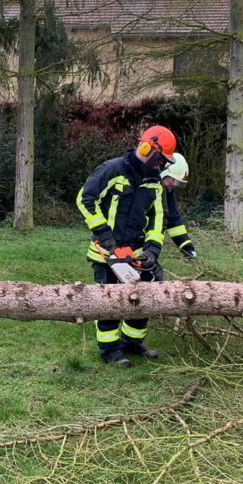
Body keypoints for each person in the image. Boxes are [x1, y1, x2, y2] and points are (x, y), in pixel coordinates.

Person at [76, 125, 177, 368]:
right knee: (110, 302)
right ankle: (110, 351)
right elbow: (85, 198)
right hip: (107, 252)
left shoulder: (154, 183)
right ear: (148, 149)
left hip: (136, 253)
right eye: (160, 160)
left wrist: (152, 250)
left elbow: (158, 220)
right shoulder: (113, 170)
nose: (161, 166)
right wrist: (102, 233)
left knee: (143, 299)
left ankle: (133, 342)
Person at [160, 153, 197, 261]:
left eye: (178, 183)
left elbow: (174, 222)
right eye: (174, 181)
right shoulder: (143, 189)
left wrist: (188, 249)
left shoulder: (167, 192)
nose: (175, 185)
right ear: (164, 173)